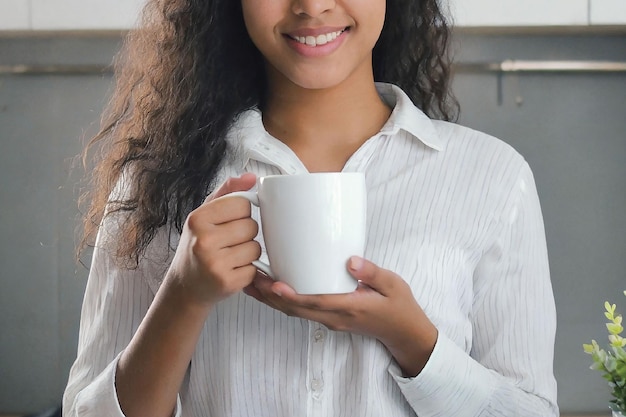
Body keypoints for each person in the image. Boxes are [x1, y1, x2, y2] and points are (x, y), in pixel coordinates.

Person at [63, 0, 559, 415]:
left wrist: (414, 342)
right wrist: (183, 295)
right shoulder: (158, 182)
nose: (312, 5)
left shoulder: (492, 176)